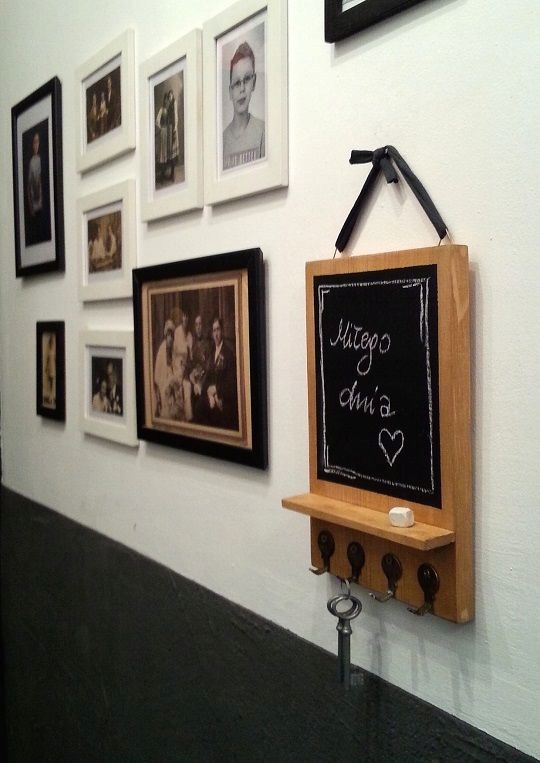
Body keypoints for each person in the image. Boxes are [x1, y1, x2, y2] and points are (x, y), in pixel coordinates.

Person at [223, 41, 265, 171]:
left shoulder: (262, 131)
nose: (242, 89)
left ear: (254, 82)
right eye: (236, 83)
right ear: (230, 91)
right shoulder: (222, 140)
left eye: (246, 79)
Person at [196, 317, 238, 430]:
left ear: (222, 331)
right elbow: (207, 376)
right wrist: (203, 389)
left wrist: (216, 390)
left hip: (223, 399)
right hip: (211, 398)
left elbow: (232, 385)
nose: (216, 334)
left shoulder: (228, 354)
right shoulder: (211, 352)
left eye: (218, 329)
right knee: (199, 407)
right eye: (214, 330)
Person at [27, 132, 43, 217]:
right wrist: (31, 208)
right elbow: (29, 186)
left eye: (38, 142)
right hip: (35, 205)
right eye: (34, 142)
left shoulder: (42, 159)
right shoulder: (32, 162)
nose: (36, 145)